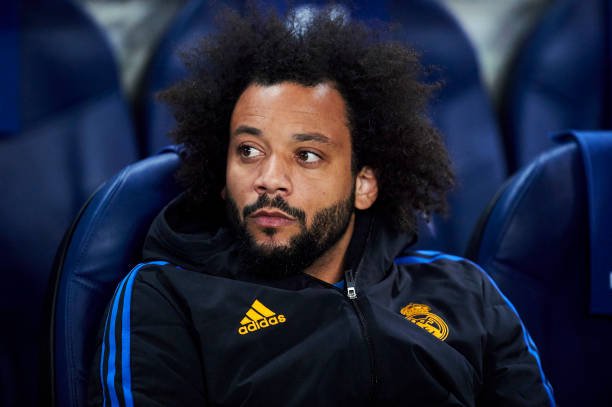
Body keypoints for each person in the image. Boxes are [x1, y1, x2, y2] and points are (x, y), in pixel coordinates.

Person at [88, 5, 555, 406]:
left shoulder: (467, 293)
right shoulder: (166, 296)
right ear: (221, 175)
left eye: (307, 155)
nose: (269, 179)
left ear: (363, 185)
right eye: (248, 150)